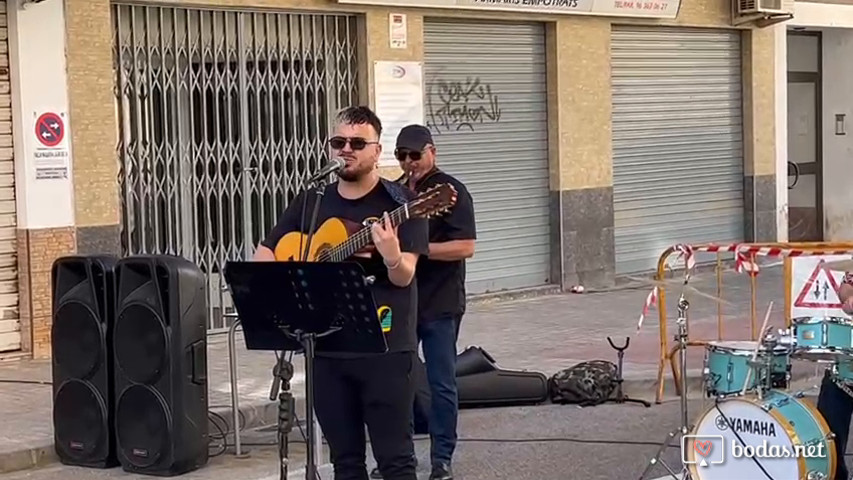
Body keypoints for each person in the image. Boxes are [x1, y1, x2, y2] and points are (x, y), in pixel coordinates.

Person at [253, 106, 428, 480]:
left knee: (395, 460)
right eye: (338, 142)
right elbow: (266, 251)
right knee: (345, 462)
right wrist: (284, 288)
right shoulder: (314, 201)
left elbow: (404, 276)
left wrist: (392, 255)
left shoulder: (401, 204)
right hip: (327, 348)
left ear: (377, 150)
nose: (346, 149)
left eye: (357, 143)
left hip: (386, 348)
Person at [370, 124, 476, 480]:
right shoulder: (394, 193)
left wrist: (418, 249)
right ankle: (399, 459)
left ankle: (441, 459)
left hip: (439, 302)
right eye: (401, 155)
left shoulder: (450, 191)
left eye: (415, 155)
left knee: (441, 380)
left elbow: (466, 247)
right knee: (393, 380)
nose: (409, 162)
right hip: (400, 300)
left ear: (431, 151)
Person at [816, 270, 853, 480]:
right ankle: (834, 473)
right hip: (848, 365)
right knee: (829, 432)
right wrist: (848, 298)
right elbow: (846, 287)